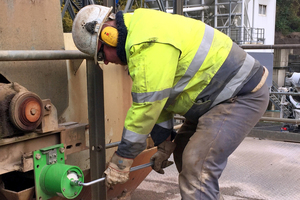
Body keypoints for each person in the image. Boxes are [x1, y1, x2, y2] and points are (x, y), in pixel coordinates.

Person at [72, 5, 269, 200]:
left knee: (197, 165)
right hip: (210, 99)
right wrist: (164, 143)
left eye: (100, 55)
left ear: (109, 36)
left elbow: (147, 107)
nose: (105, 62)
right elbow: (161, 100)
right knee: (184, 153)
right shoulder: (141, 34)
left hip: (239, 95)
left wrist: (122, 160)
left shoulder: (147, 42)